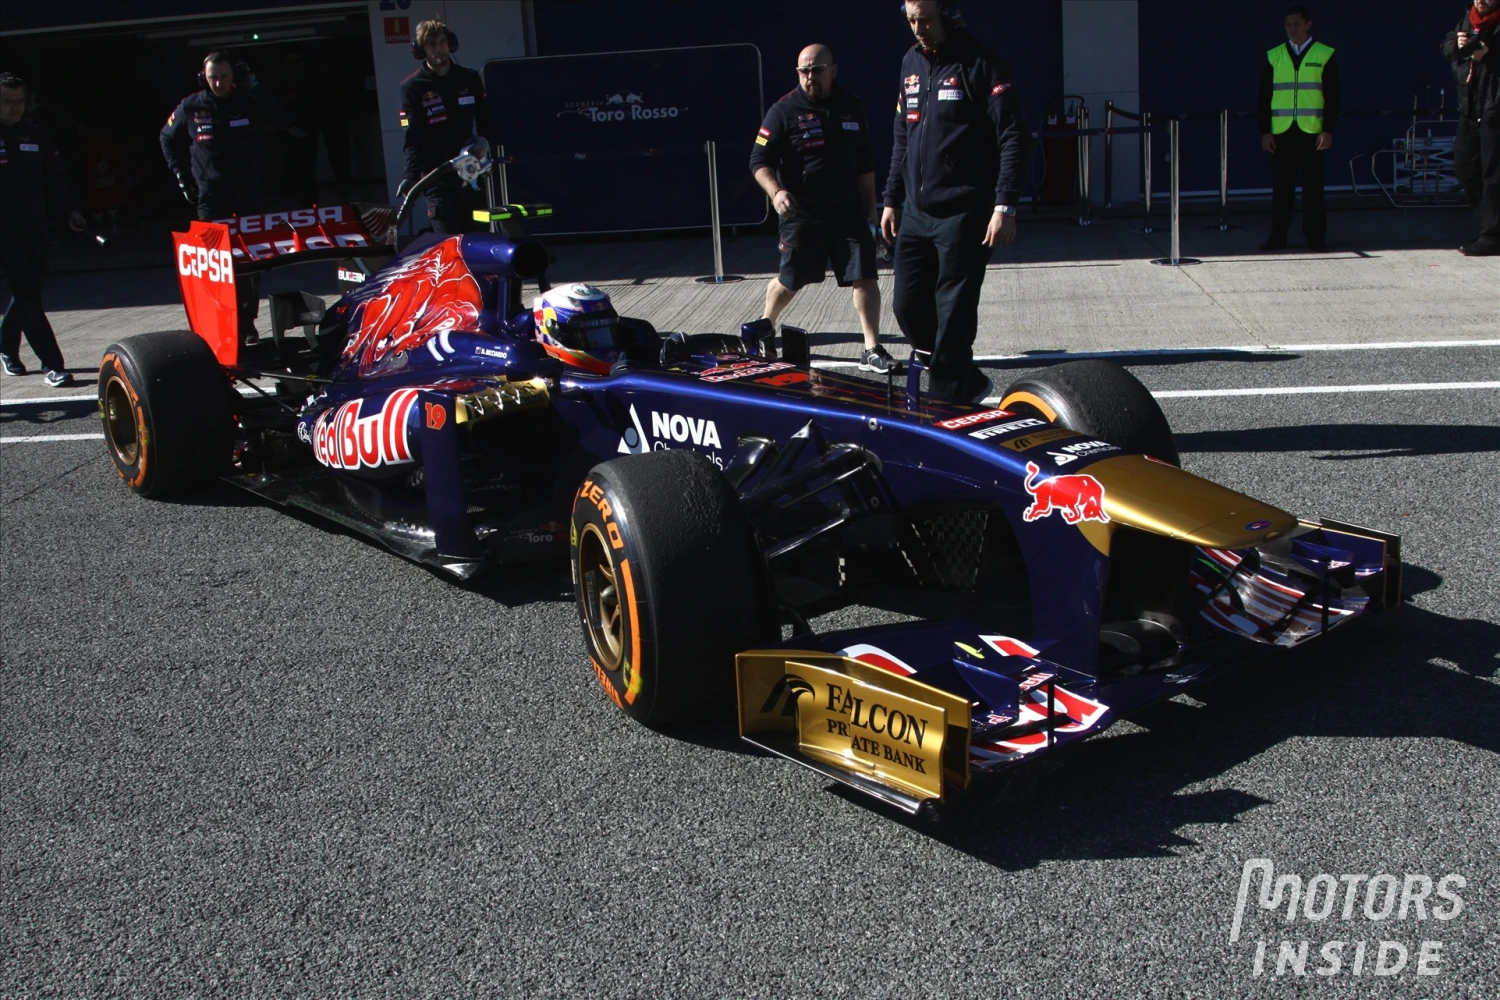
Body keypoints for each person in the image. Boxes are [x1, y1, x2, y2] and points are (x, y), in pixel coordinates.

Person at [880, 1, 1030, 403]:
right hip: (916, 211)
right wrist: (891, 198)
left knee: (954, 314)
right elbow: (902, 135)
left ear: (948, 16)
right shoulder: (910, 62)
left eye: (926, 20)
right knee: (907, 307)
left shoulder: (982, 63)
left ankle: (945, 404)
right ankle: (965, 379)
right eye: (911, 20)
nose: (918, 28)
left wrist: (1004, 206)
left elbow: (1013, 136)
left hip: (966, 211)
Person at [749, 44, 894, 374]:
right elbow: (759, 160)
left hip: (848, 212)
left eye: (816, 70)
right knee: (791, 280)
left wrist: (871, 207)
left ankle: (871, 349)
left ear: (833, 70)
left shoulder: (851, 106)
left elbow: (864, 162)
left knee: (865, 276)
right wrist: (776, 192)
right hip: (802, 214)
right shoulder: (783, 110)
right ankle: (765, 324)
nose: (810, 76)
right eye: (803, 71)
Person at [0, 73, 86, 388]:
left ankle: (5, 346)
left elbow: (56, 176)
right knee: (28, 297)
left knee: (29, 293)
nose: (16, 107)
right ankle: (52, 365)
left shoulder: (35, 134)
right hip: (4, 232)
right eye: (7, 102)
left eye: (20, 101)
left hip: (34, 227)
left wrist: (71, 210)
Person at [159, 51, 289, 221]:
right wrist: (181, 175)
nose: (219, 83)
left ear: (234, 75)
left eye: (224, 76)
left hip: (248, 195)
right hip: (211, 197)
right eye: (213, 77)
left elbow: (282, 121)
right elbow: (166, 137)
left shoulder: (249, 102)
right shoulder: (191, 106)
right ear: (203, 78)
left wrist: (255, 87)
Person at [1258, 5, 1340, 252]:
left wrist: (1328, 130)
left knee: (1313, 189)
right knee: (1282, 189)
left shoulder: (1324, 54)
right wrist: (1265, 131)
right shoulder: (1274, 55)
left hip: (1312, 132)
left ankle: (1316, 239)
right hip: (1281, 133)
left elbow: (1333, 97)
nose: (1292, 29)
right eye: (1288, 25)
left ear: (1308, 24)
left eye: (1296, 24)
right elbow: (1264, 97)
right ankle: (1277, 237)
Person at [398, 19, 488, 234]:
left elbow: (486, 119)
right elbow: (412, 138)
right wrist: (410, 176)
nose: (438, 49)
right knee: (448, 243)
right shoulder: (412, 88)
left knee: (480, 242)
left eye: (442, 42)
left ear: (451, 44)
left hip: (472, 175)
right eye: (431, 44)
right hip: (437, 181)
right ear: (421, 49)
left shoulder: (469, 78)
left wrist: (485, 140)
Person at [1444, 0, 1500, 256]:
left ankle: (1492, 235)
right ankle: (1491, 225)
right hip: (1469, 107)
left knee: (1493, 175)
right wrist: (1458, 46)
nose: (1481, 0)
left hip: (1494, 108)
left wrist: (1489, 55)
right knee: (1465, 167)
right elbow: (1446, 46)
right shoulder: (1469, 18)